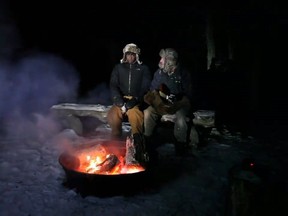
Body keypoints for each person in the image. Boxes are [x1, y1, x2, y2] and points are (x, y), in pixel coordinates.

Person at [143, 48, 193, 156]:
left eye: (163, 59)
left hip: (179, 104)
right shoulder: (159, 73)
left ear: (170, 61)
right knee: (148, 112)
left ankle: (180, 145)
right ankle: (147, 141)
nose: (160, 61)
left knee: (181, 118)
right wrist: (156, 100)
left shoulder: (183, 73)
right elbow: (153, 89)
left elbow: (188, 94)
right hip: (162, 103)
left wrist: (178, 104)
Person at [107, 43, 152, 142]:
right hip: (121, 98)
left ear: (137, 55)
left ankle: (137, 140)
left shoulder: (143, 69)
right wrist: (118, 100)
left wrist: (135, 100)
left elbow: (145, 88)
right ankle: (115, 139)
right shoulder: (118, 68)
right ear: (125, 55)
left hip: (135, 100)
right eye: (128, 54)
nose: (130, 57)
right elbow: (113, 85)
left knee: (135, 114)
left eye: (133, 54)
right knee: (113, 114)